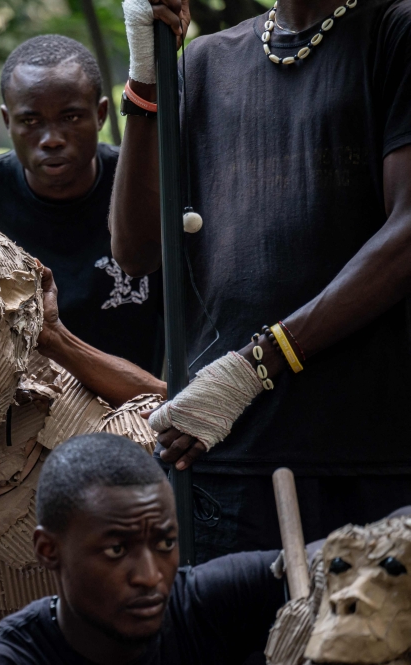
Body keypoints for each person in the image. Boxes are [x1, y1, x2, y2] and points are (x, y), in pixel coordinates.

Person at [109, 0, 411, 561]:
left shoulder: (393, 31)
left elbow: (406, 234)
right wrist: (147, 75)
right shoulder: (201, 65)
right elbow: (135, 250)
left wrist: (257, 363)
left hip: (371, 458)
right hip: (223, 454)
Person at [0, 35, 164, 376]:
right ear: (7, 121)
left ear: (101, 114)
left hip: (138, 411)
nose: (52, 138)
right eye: (31, 121)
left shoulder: (144, 190)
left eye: (71, 117)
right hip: (11, 416)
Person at [0, 433, 286, 665]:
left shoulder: (203, 608)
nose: (149, 576)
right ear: (48, 550)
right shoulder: (2, 660)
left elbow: (326, 557)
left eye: (165, 543)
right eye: (116, 549)